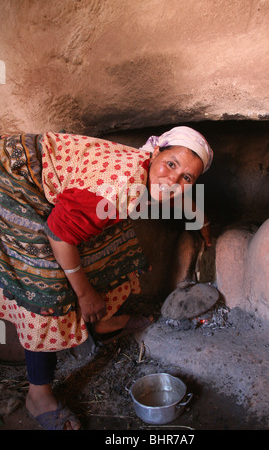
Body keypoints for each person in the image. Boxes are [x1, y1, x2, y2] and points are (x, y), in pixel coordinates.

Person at [0, 126, 213, 430]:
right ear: (154, 153)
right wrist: (85, 295)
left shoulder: (147, 171)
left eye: (187, 177)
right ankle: (39, 395)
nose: (174, 179)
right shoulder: (120, 186)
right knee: (46, 283)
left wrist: (202, 219)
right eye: (171, 164)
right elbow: (59, 234)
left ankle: (102, 323)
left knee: (115, 237)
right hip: (11, 176)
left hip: (44, 171)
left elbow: (171, 188)